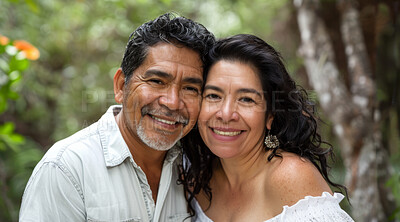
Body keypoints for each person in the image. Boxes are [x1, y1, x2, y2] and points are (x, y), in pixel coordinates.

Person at [19, 13, 215, 222]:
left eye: (190, 88)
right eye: (157, 81)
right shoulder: (67, 169)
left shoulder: (195, 169)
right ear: (121, 86)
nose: (173, 102)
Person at [180, 34, 354, 221]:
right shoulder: (195, 173)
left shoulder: (291, 177)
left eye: (246, 99)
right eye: (213, 95)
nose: (226, 113)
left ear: (270, 115)